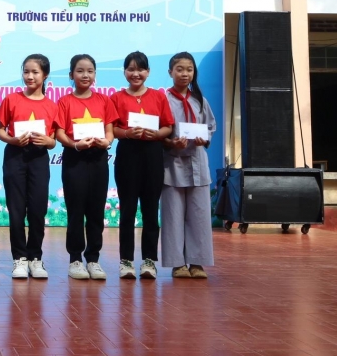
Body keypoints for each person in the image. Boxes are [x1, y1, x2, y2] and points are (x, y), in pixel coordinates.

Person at [110, 52, 175, 280]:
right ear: (124, 72)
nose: (135, 73)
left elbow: (168, 126)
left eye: (140, 69)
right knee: (127, 210)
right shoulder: (116, 98)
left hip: (153, 154)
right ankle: (126, 261)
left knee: (150, 210)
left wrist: (157, 134)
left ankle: (149, 260)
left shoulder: (158, 96)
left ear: (148, 72)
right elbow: (112, 129)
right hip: (127, 155)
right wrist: (128, 133)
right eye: (131, 69)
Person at [0, 54, 59, 280]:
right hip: (15, 157)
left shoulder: (52, 105)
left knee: (38, 210)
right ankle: (19, 259)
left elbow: (54, 139)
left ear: (45, 75)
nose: (30, 76)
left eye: (35, 72)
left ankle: (35, 258)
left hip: (39, 158)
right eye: (26, 72)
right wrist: (12, 139)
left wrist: (48, 141)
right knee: (16, 210)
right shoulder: (11, 99)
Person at [55, 54, 118, 281]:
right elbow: (59, 132)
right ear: (71, 74)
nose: (85, 75)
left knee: (96, 211)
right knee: (76, 211)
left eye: (90, 71)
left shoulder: (104, 100)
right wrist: (74, 144)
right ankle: (75, 260)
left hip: (98, 158)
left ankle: (93, 259)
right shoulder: (64, 101)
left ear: (95, 75)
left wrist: (106, 142)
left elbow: (110, 130)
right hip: (75, 158)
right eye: (80, 71)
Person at [161, 52, 216, 279]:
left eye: (189, 69)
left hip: (198, 163)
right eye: (180, 69)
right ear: (170, 72)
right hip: (172, 164)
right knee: (173, 215)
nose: (185, 74)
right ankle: (177, 264)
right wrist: (170, 142)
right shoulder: (163, 100)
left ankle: (197, 262)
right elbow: (158, 131)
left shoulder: (200, 100)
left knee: (199, 214)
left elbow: (210, 126)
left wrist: (206, 138)